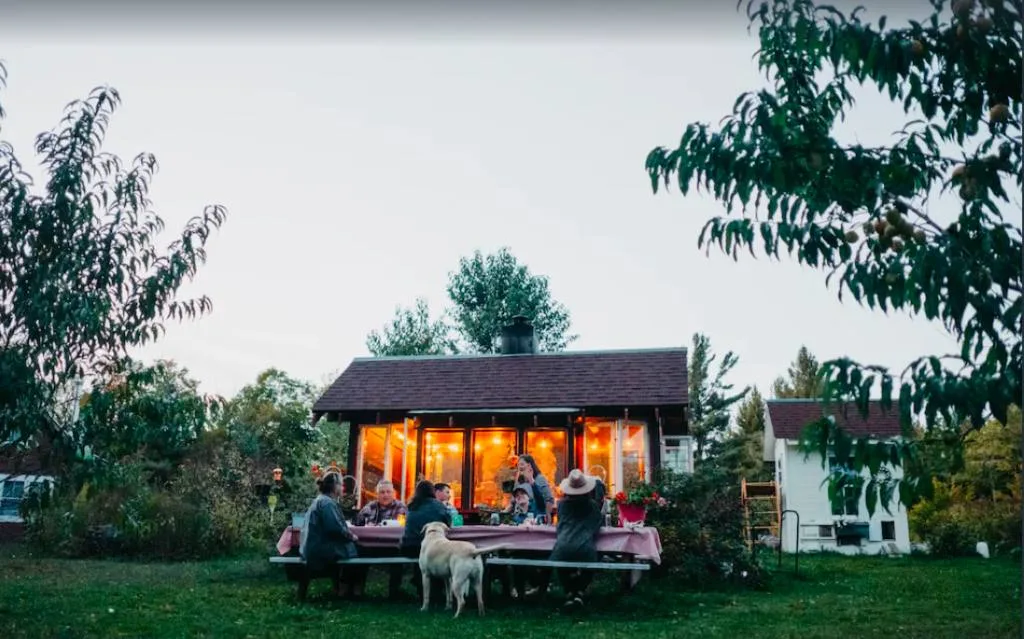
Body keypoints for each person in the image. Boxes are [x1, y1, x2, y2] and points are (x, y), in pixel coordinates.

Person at [299, 471, 360, 598]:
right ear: (335, 486)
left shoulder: (320, 500)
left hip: (312, 548)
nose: (342, 488)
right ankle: (349, 590)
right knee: (360, 550)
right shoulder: (327, 503)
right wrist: (351, 536)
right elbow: (334, 529)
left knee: (353, 548)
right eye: (341, 484)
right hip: (321, 550)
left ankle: (345, 588)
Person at [550, 468, 603, 609]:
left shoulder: (561, 505)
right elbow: (597, 524)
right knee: (593, 561)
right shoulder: (592, 506)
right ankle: (579, 592)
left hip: (563, 547)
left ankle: (569, 592)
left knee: (562, 562)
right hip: (586, 548)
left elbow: (559, 524)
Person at [401, 480, 452, 601]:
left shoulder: (412, 506)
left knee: (422, 557)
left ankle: (420, 586)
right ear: (433, 492)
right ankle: (436, 591)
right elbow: (448, 523)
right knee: (439, 555)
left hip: (410, 548)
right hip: (432, 548)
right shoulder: (438, 505)